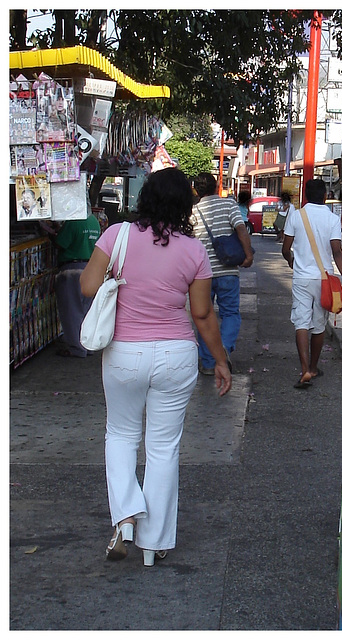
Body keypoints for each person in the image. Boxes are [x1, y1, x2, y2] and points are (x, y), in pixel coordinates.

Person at [80, 167, 232, 567]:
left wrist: (119, 276)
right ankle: (154, 544)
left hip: (124, 354)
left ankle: (126, 514)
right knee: (163, 448)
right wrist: (220, 361)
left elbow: (87, 287)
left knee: (120, 434)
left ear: (144, 198)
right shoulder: (194, 250)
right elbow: (202, 313)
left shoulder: (117, 236)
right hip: (176, 355)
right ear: (186, 204)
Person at [282, 179, 342, 389]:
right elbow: (337, 251)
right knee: (319, 324)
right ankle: (314, 367)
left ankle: (304, 369)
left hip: (302, 278)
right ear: (325, 196)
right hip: (325, 279)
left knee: (301, 322)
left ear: (305, 195)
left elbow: (286, 248)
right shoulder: (332, 219)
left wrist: (291, 261)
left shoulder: (296, 215)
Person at [192, 172, 254, 375]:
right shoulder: (229, 205)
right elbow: (241, 229)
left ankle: (209, 363)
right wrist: (248, 255)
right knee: (230, 313)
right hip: (228, 271)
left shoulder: (193, 212)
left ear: (196, 190)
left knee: (203, 315)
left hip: (202, 275)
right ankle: (224, 347)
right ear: (217, 186)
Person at [50, 207, 101, 357]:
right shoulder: (94, 221)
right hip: (90, 268)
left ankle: (77, 348)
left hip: (71, 269)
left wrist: (51, 234)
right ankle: (88, 345)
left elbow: (60, 243)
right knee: (86, 311)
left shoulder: (74, 222)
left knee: (71, 310)